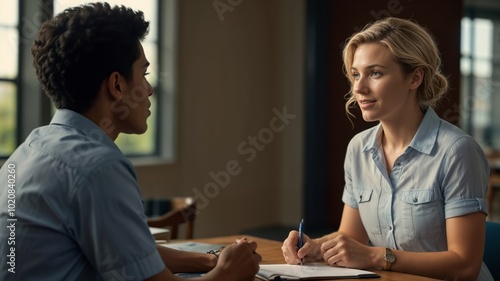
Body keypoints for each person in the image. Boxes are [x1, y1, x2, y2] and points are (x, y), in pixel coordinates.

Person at [0, 2, 260, 281]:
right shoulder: (97, 167)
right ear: (117, 85)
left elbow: (129, 252)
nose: (149, 89)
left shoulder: (29, 150)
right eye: (144, 74)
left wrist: (208, 261)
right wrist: (227, 273)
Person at [282, 17, 494, 281]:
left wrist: (375, 256)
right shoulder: (358, 148)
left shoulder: (457, 151)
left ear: (415, 77)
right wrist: (316, 246)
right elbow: (350, 236)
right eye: (356, 74)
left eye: (375, 73)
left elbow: (464, 265)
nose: (359, 88)